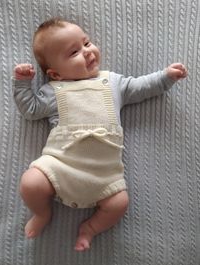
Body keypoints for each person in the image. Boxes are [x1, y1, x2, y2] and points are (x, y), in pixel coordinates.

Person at [12, 18, 187, 251]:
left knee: (119, 203)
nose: (87, 52)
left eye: (87, 43)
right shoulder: (54, 91)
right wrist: (22, 83)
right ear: (55, 74)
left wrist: (165, 77)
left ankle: (90, 229)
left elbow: (140, 87)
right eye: (74, 52)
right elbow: (30, 110)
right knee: (30, 182)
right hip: (60, 165)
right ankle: (42, 214)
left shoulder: (112, 82)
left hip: (104, 175)